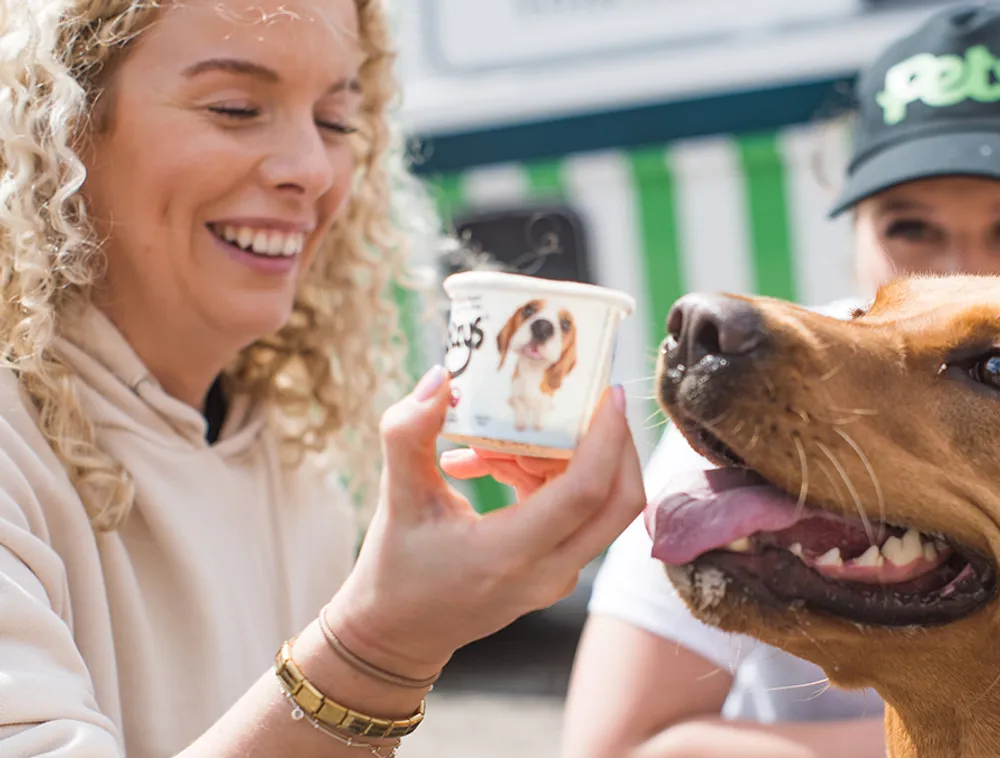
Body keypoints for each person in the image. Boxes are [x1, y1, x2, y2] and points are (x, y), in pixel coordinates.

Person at [548, 4, 1000, 757]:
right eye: (907, 229)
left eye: (995, 370)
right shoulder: (753, 408)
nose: (956, 273)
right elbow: (619, 747)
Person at [0, 1, 645, 756]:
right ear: (58, 125)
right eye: (236, 108)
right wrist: (376, 648)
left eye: (338, 122)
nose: (311, 170)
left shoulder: (288, 455)